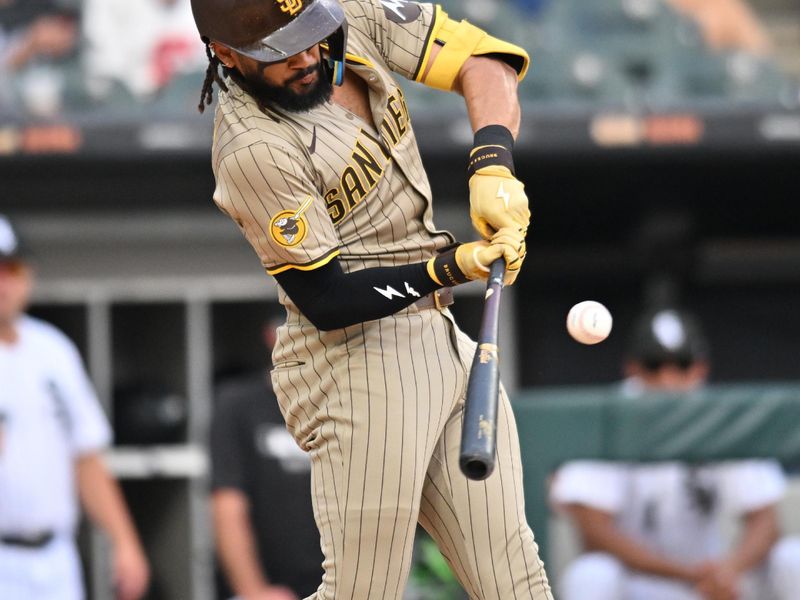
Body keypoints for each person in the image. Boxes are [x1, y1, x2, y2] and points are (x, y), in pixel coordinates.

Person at [190, 0, 552, 598]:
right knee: (364, 592)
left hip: (438, 339)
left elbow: (486, 61)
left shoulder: (350, 12)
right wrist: (451, 265)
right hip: (354, 359)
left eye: (311, 34)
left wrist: (493, 162)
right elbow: (326, 296)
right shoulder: (251, 146)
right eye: (281, 51)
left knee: (517, 581)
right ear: (226, 54)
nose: (308, 57)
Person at [550, 307, 800, 600]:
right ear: (632, 367)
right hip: (640, 584)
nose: (668, 379)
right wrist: (688, 574)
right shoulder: (612, 416)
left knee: (792, 556)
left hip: (715, 582)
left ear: (700, 367)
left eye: (681, 364)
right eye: (654, 365)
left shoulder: (720, 415)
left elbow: (766, 521)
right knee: (591, 574)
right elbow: (594, 534)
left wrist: (729, 570)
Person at [0, 214, 150, 600]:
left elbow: (85, 457)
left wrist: (125, 542)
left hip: (55, 559)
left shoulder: (52, 349)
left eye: (11, 268)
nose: (3, 282)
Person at [210, 319, 324, 600]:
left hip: (339, 582)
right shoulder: (238, 404)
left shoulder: (347, 402)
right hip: (270, 588)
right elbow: (227, 505)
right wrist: (254, 590)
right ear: (271, 335)